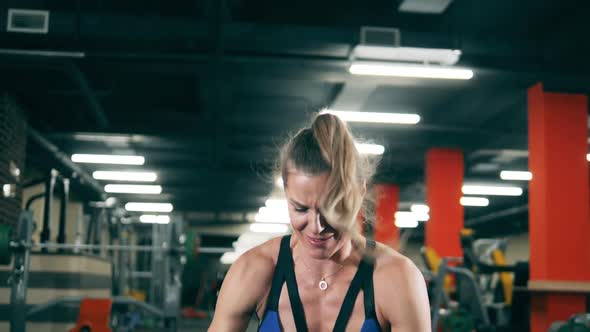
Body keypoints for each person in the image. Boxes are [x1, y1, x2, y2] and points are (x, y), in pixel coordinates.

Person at [209, 113, 431, 331]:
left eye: (332, 209)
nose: (316, 226)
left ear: (360, 193)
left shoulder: (398, 279)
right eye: (300, 208)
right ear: (286, 192)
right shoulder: (253, 270)